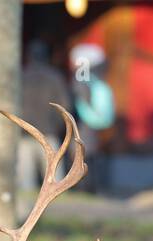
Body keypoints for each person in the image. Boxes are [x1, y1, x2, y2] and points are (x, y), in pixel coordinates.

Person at [18, 41, 73, 194]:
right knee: (55, 182)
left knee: (25, 183)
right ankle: (59, 211)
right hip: (48, 132)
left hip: (25, 132)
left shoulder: (21, 77)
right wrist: (57, 126)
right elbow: (66, 106)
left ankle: (30, 214)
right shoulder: (55, 78)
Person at [69, 43, 115, 193]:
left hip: (84, 130)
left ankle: (84, 189)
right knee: (91, 160)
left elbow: (79, 107)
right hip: (94, 131)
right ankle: (90, 188)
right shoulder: (96, 82)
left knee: (82, 160)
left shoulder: (81, 82)